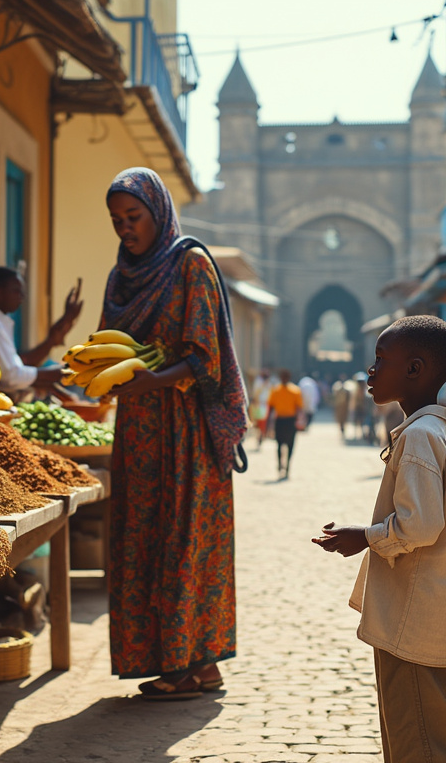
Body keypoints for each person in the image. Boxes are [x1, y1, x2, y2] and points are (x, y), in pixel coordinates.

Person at [100, 167, 248, 700]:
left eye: (134, 217)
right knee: (145, 538)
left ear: (157, 211)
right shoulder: (121, 276)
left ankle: (184, 666)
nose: (126, 230)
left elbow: (205, 357)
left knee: (184, 540)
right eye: (117, 220)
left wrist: (152, 383)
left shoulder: (191, 265)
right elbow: (108, 345)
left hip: (186, 434)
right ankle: (199, 667)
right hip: (138, 436)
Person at [314, 315, 446, 763]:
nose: (370, 370)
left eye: (382, 360)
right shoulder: (435, 430)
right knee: (433, 734)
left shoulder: (421, 437)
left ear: (415, 370)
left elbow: (420, 526)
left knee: (418, 742)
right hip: (432, 615)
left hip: (415, 619)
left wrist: (363, 537)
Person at [0, 267, 84, 393]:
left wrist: (65, 320)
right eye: (16, 291)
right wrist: (64, 371)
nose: (22, 297)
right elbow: (11, 376)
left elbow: (22, 364)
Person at [267, 369, 304, 479]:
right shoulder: (275, 390)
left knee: (290, 445)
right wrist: (269, 422)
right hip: (280, 420)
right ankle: (280, 464)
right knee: (279, 444)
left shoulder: (295, 391)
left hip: (290, 420)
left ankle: (287, 466)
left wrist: (300, 420)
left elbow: (299, 408)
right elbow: (271, 407)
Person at [250, 367, 275, 450]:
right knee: (259, 424)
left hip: (266, 405)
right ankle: (259, 438)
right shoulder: (259, 382)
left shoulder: (269, 382)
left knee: (264, 424)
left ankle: (261, 437)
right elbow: (256, 393)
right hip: (259, 405)